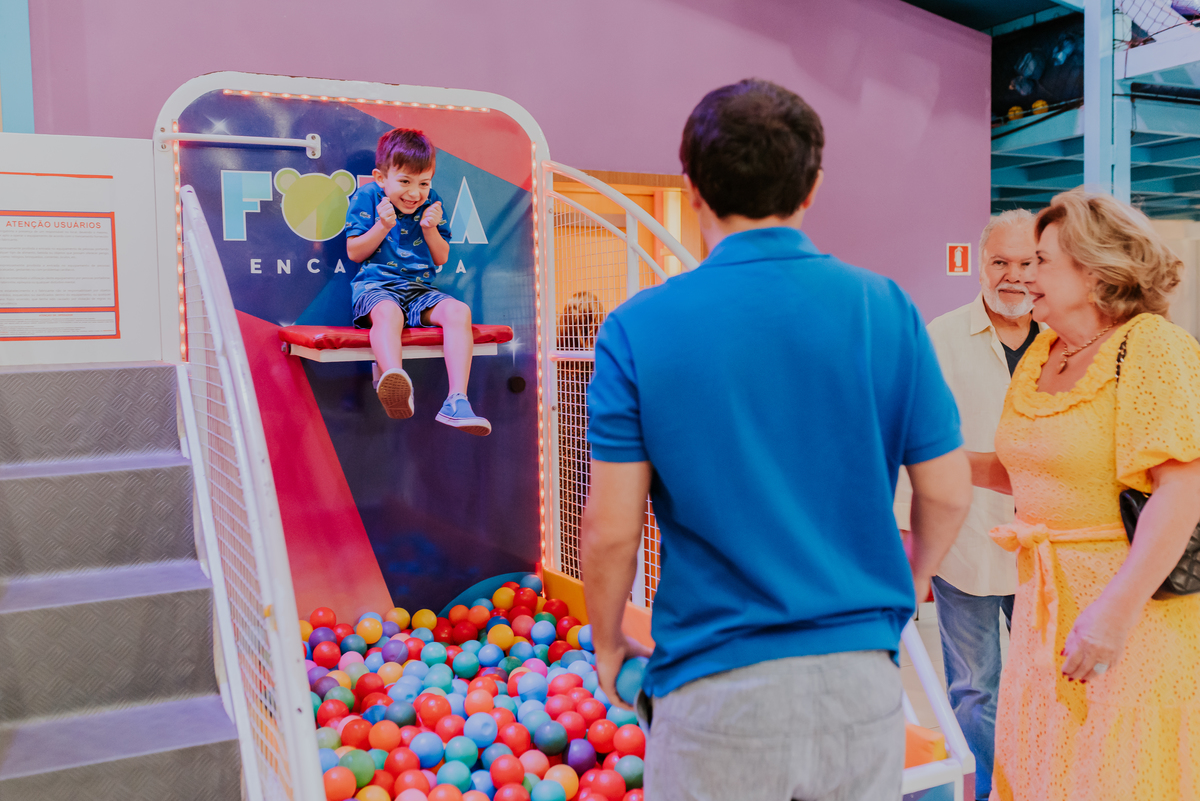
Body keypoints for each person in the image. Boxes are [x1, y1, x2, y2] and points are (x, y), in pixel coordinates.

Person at [579, 78, 973, 801]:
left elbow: (610, 528)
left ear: (691, 185)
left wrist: (606, 640)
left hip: (714, 685)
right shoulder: (883, 306)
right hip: (860, 682)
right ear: (813, 186)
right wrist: (909, 582)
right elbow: (947, 491)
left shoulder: (639, 327)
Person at [968, 189, 1200, 801]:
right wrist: (913, 453)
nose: (1025, 272)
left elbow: (1181, 489)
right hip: (1044, 605)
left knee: (1117, 772)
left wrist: (1113, 614)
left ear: (1094, 269)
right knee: (1047, 765)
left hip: (1129, 609)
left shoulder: (1152, 345)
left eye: (1042, 260)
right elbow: (1027, 472)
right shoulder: (1043, 353)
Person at [893, 209, 1041, 801]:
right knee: (976, 687)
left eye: (1027, 263)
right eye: (1000, 262)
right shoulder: (942, 336)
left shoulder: (1066, 338)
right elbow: (915, 436)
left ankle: (1042, 781)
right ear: (980, 266)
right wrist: (910, 538)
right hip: (968, 545)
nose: (1013, 276)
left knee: (1050, 681)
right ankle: (996, 787)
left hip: (1046, 547)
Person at [345, 128, 490, 435]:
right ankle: (394, 379)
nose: (415, 193)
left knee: (458, 312)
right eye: (405, 182)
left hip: (418, 290)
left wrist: (430, 230)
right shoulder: (367, 196)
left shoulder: (432, 203)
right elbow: (355, 252)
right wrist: (382, 227)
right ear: (382, 178)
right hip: (376, 287)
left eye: (423, 183)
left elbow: (441, 257)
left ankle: (456, 401)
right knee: (388, 314)